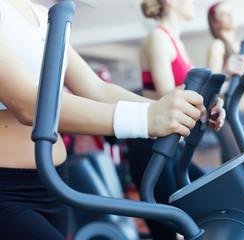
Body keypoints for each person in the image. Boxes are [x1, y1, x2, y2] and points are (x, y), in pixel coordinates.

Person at [0, 1, 225, 239]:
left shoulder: (43, 14)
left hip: (53, 179)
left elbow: (96, 88)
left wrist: (179, 111)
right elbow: (27, 103)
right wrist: (145, 118)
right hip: (6, 188)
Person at [128, 0, 228, 239]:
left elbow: (191, 96)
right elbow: (168, 96)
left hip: (172, 149)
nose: (194, 3)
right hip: (152, 150)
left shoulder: (177, 42)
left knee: (212, 201)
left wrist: (211, 105)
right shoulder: (158, 37)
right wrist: (203, 98)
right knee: (169, 233)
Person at [206, 1, 244, 112]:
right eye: (224, 14)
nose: (231, 15)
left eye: (231, 12)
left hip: (242, 111)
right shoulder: (218, 45)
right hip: (227, 113)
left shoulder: (239, 47)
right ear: (215, 23)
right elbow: (212, 86)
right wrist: (226, 71)